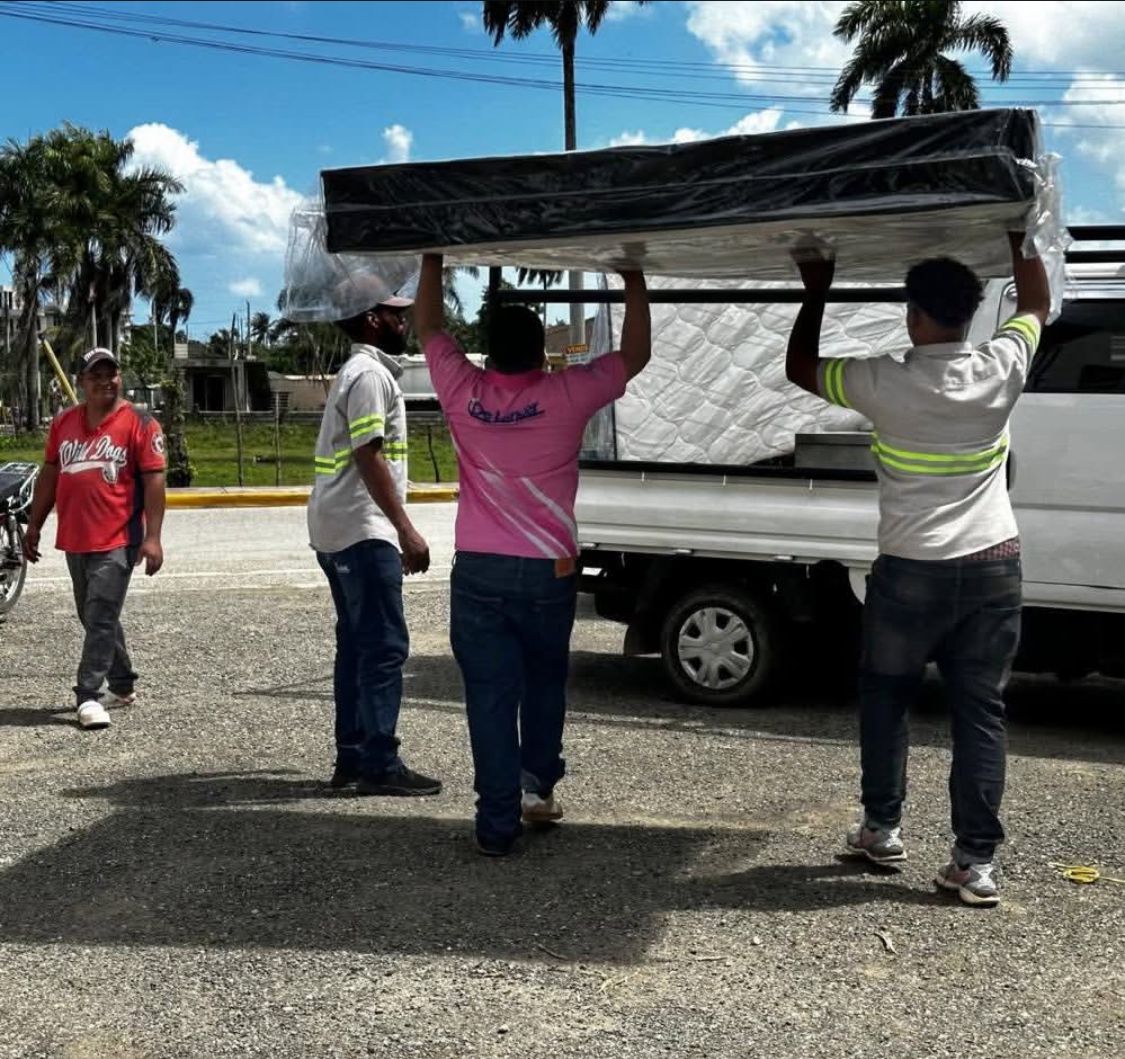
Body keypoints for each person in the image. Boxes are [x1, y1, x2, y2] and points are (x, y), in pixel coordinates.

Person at [785, 232, 1050, 907]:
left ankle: (880, 829)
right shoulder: (1001, 365)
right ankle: (974, 863)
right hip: (993, 566)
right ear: (969, 313)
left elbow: (800, 367)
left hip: (910, 571)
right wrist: (1020, 234)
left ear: (913, 315)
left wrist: (816, 289)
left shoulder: (883, 381)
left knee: (886, 697)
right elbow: (1036, 306)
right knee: (980, 713)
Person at [415, 254, 651, 855]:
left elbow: (430, 327)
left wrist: (431, 257)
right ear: (542, 353)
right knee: (545, 683)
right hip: (550, 571)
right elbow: (634, 356)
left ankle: (496, 826)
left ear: (488, 355)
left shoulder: (462, 389)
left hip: (479, 569)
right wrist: (631, 278)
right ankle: (536, 789)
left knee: (490, 696)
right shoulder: (567, 393)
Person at [307, 287, 441, 797]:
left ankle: (353, 757)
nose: (403, 322)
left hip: (341, 529)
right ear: (371, 319)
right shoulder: (369, 375)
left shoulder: (360, 371)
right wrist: (405, 529)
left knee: (357, 646)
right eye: (394, 315)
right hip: (362, 530)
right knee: (383, 647)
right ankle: (378, 763)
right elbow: (369, 454)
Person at [24, 347, 166, 730]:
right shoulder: (64, 423)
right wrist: (34, 524)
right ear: (81, 382)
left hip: (119, 538)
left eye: (111, 374)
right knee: (92, 614)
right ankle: (122, 681)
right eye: (96, 375)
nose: (106, 381)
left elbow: (155, 480)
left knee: (101, 613)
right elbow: (50, 474)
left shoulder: (141, 422)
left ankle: (88, 695)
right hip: (75, 536)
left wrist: (153, 537)